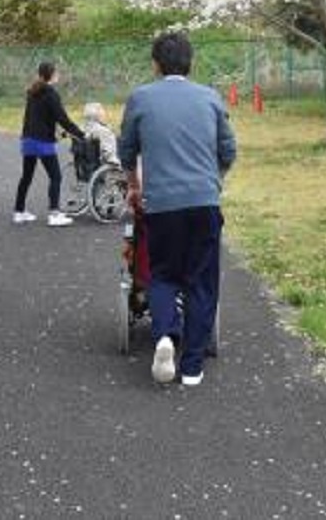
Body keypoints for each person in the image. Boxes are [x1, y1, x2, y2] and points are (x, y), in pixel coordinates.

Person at [118, 32, 236, 388]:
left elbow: (127, 151)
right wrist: (214, 180)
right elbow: (228, 151)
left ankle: (166, 335)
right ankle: (193, 366)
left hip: (161, 205)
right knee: (201, 280)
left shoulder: (140, 98)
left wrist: (135, 186)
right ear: (191, 63)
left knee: (163, 274)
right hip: (203, 202)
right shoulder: (210, 98)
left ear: (156, 64)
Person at [13, 61, 84, 227]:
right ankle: (54, 213)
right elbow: (63, 119)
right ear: (52, 75)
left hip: (27, 140)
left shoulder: (32, 92)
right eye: (56, 73)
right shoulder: (51, 94)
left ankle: (19, 211)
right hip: (42, 142)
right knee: (55, 176)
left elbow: (35, 118)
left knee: (26, 177)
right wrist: (81, 134)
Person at [82, 101, 121, 170]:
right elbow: (108, 154)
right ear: (97, 115)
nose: (104, 114)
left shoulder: (83, 128)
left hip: (87, 164)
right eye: (102, 112)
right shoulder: (103, 131)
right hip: (106, 167)